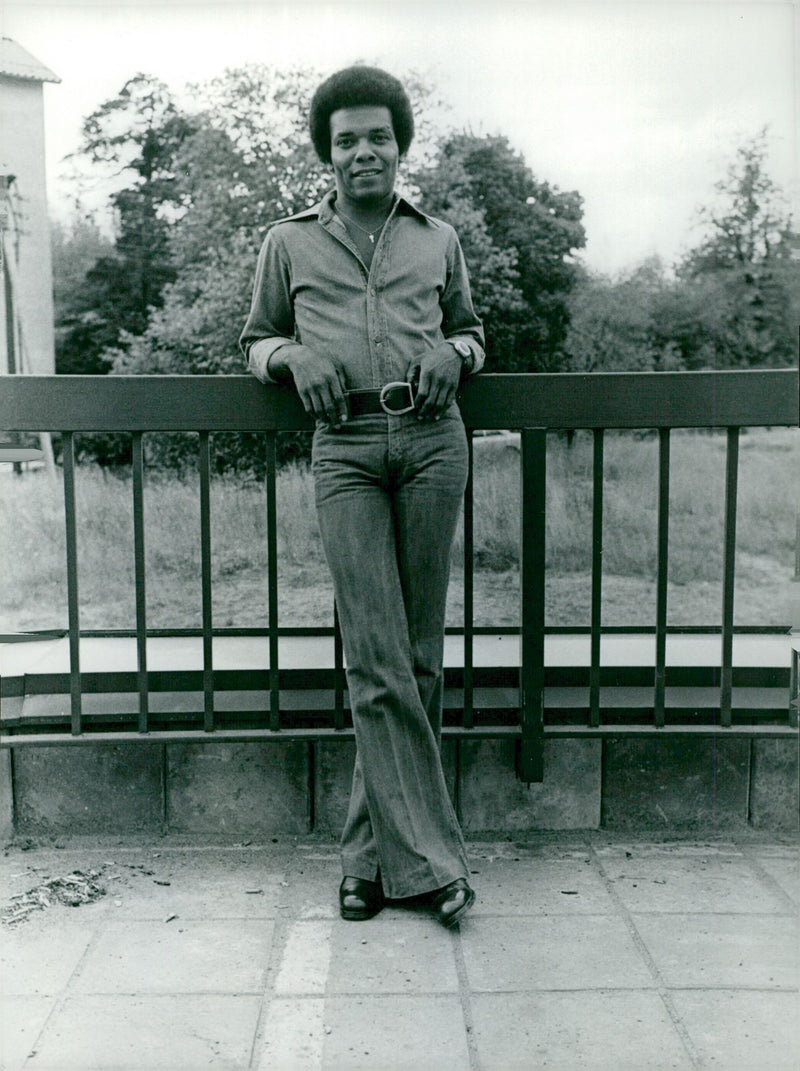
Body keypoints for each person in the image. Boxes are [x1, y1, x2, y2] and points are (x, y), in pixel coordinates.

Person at [241, 66, 485, 928]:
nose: (363, 151)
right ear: (327, 152)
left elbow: (469, 326)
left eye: (378, 135)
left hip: (431, 443)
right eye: (346, 139)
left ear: (400, 143)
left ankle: (366, 860)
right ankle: (436, 867)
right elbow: (256, 338)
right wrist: (291, 359)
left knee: (414, 656)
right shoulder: (288, 242)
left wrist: (460, 354)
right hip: (343, 446)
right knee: (374, 652)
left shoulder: (438, 237)